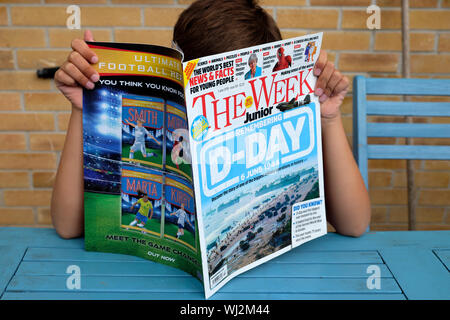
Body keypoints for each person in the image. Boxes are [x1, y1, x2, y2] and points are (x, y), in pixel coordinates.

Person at [51, 0, 371, 239]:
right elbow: (67, 226)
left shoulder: (285, 124)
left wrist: (328, 119)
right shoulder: (154, 123)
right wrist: (82, 109)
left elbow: (355, 224)